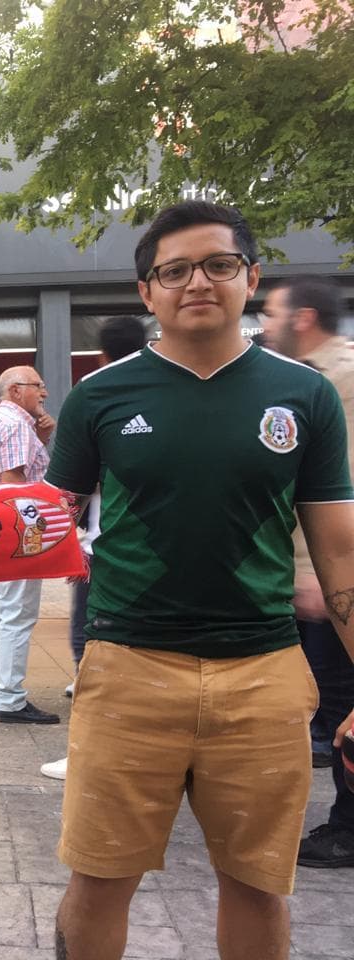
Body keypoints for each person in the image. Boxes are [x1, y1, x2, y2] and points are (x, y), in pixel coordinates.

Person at [47, 200, 354, 960]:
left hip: (265, 674)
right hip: (127, 668)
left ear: (250, 278)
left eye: (218, 264)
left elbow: (340, 551)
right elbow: (41, 524)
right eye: (174, 270)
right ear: (147, 292)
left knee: (257, 885)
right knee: (98, 880)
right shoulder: (101, 397)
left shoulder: (305, 396)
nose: (197, 283)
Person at [261, 275, 354, 868]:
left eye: (271, 315)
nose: (264, 327)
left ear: (303, 319)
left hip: (335, 572)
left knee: (342, 698)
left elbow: (332, 489)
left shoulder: (330, 381)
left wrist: (319, 572)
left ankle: (348, 826)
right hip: (324, 569)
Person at [40, 315, 148, 781]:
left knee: (92, 642)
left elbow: (70, 489)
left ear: (101, 354)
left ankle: (94, 750)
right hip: (152, 553)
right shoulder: (163, 390)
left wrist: (68, 548)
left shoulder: (100, 394)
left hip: (106, 550)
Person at [0, 366, 58, 723]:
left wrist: (41, 439)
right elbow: (14, 481)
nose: (44, 393)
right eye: (39, 386)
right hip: (17, 531)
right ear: (17, 391)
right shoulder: (16, 424)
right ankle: (11, 698)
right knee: (18, 615)